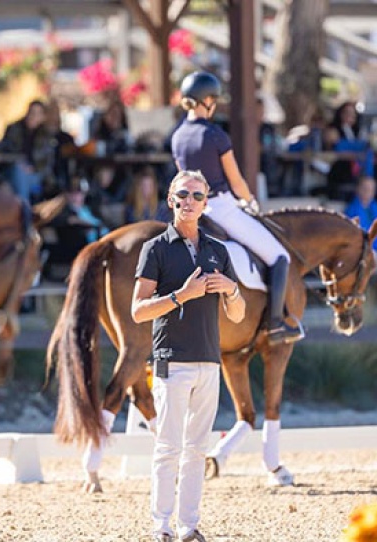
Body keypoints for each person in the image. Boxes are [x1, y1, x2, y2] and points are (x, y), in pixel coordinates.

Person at [132, 170, 245, 542]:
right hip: (171, 359)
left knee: (197, 450)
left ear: (205, 203)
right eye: (183, 194)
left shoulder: (219, 250)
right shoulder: (156, 249)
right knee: (168, 447)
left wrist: (231, 290)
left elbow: (238, 313)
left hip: (209, 360)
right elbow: (138, 311)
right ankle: (160, 527)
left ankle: (187, 527)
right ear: (171, 200)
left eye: (197, 195)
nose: (190, 201)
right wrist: (182, 295)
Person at [170, 71, 301, 344]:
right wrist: (250, 201)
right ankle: (276, 325)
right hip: (220, 207)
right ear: (206, 100)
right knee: (280, 256)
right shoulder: (215, 135)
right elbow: (236, 180)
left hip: (188, 208)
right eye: (214, 100)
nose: (214, 105)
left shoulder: (178, 136)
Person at [0, 100, 55, 203]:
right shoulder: (13, 129)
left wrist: (33, 169)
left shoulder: (46, 136)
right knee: (19, 174)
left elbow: (48, 164)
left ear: (43, 117)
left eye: (38, 113)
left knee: (26, 182)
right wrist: (19, 163)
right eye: (32, 112)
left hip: (36, 179)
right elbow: (4, 153)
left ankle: (24, 208)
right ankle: (25, 210)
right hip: (12, 171)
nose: (33, 116)